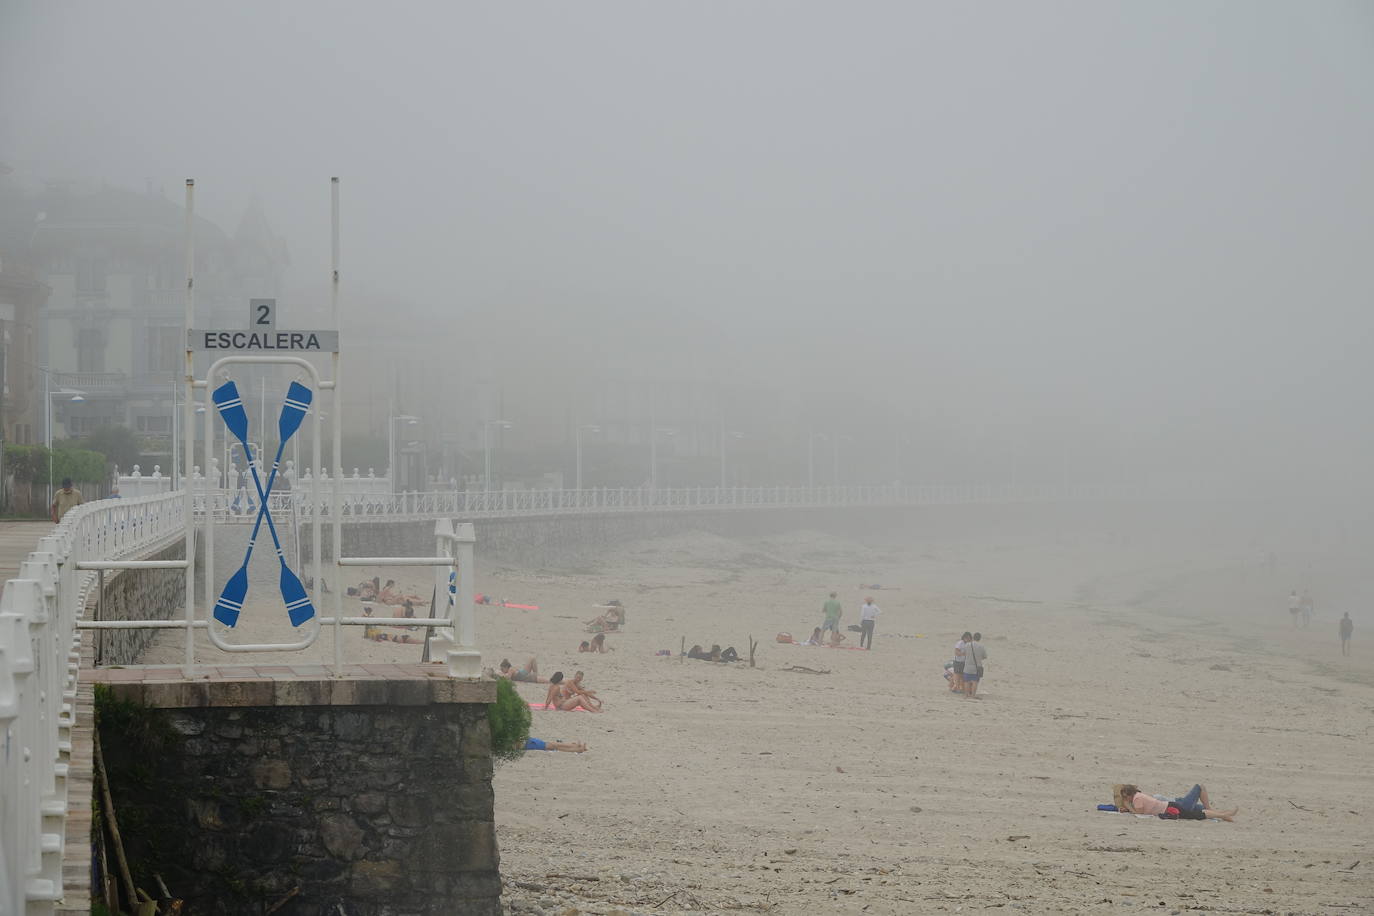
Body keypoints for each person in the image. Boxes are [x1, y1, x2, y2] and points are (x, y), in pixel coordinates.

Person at [1114, 783, 1238, 821]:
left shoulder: (1137, 798)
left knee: (1198, 815)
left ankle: (1223, 815)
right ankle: (1225, 815)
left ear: (1129, 794)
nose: (1126, 799)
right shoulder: (1139, 796)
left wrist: (1128, 807)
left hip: (1171, 808)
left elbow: (1139, 813)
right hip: (1171, 805)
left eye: (1126, 797)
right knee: (1199, 810)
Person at [962, 632, 987, 698]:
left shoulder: (967, 645)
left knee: (966, 681)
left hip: (967, 666)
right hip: (977, 667)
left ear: (973, 637)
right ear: (980, 639)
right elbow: (984, 656)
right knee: (975, 682)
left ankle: (966, 694)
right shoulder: (981, 646)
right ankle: (973, 695)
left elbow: (964, 653)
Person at [523, 738, 588, 753]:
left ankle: (575, 747)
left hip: (529, 742)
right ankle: (576, 748)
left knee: (555, 745)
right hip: (530, 744)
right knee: (554, 746)